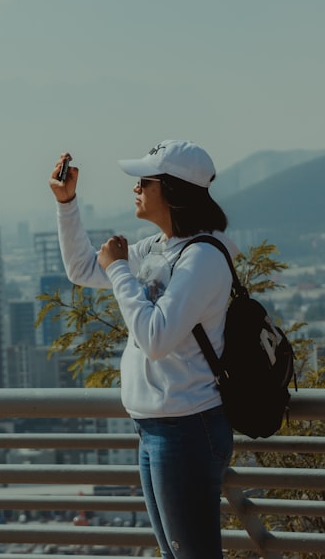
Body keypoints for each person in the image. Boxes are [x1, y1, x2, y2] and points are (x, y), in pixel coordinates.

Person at [49, 139, 237, 559]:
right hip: (155, 428)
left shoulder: (202, 258)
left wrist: (118, 269)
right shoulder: (158, 248)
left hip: (187, 428)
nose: (135, 188)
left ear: (172, 189)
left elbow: (155, 338)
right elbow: (82, 269)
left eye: (143, 181)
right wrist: (67, 203)